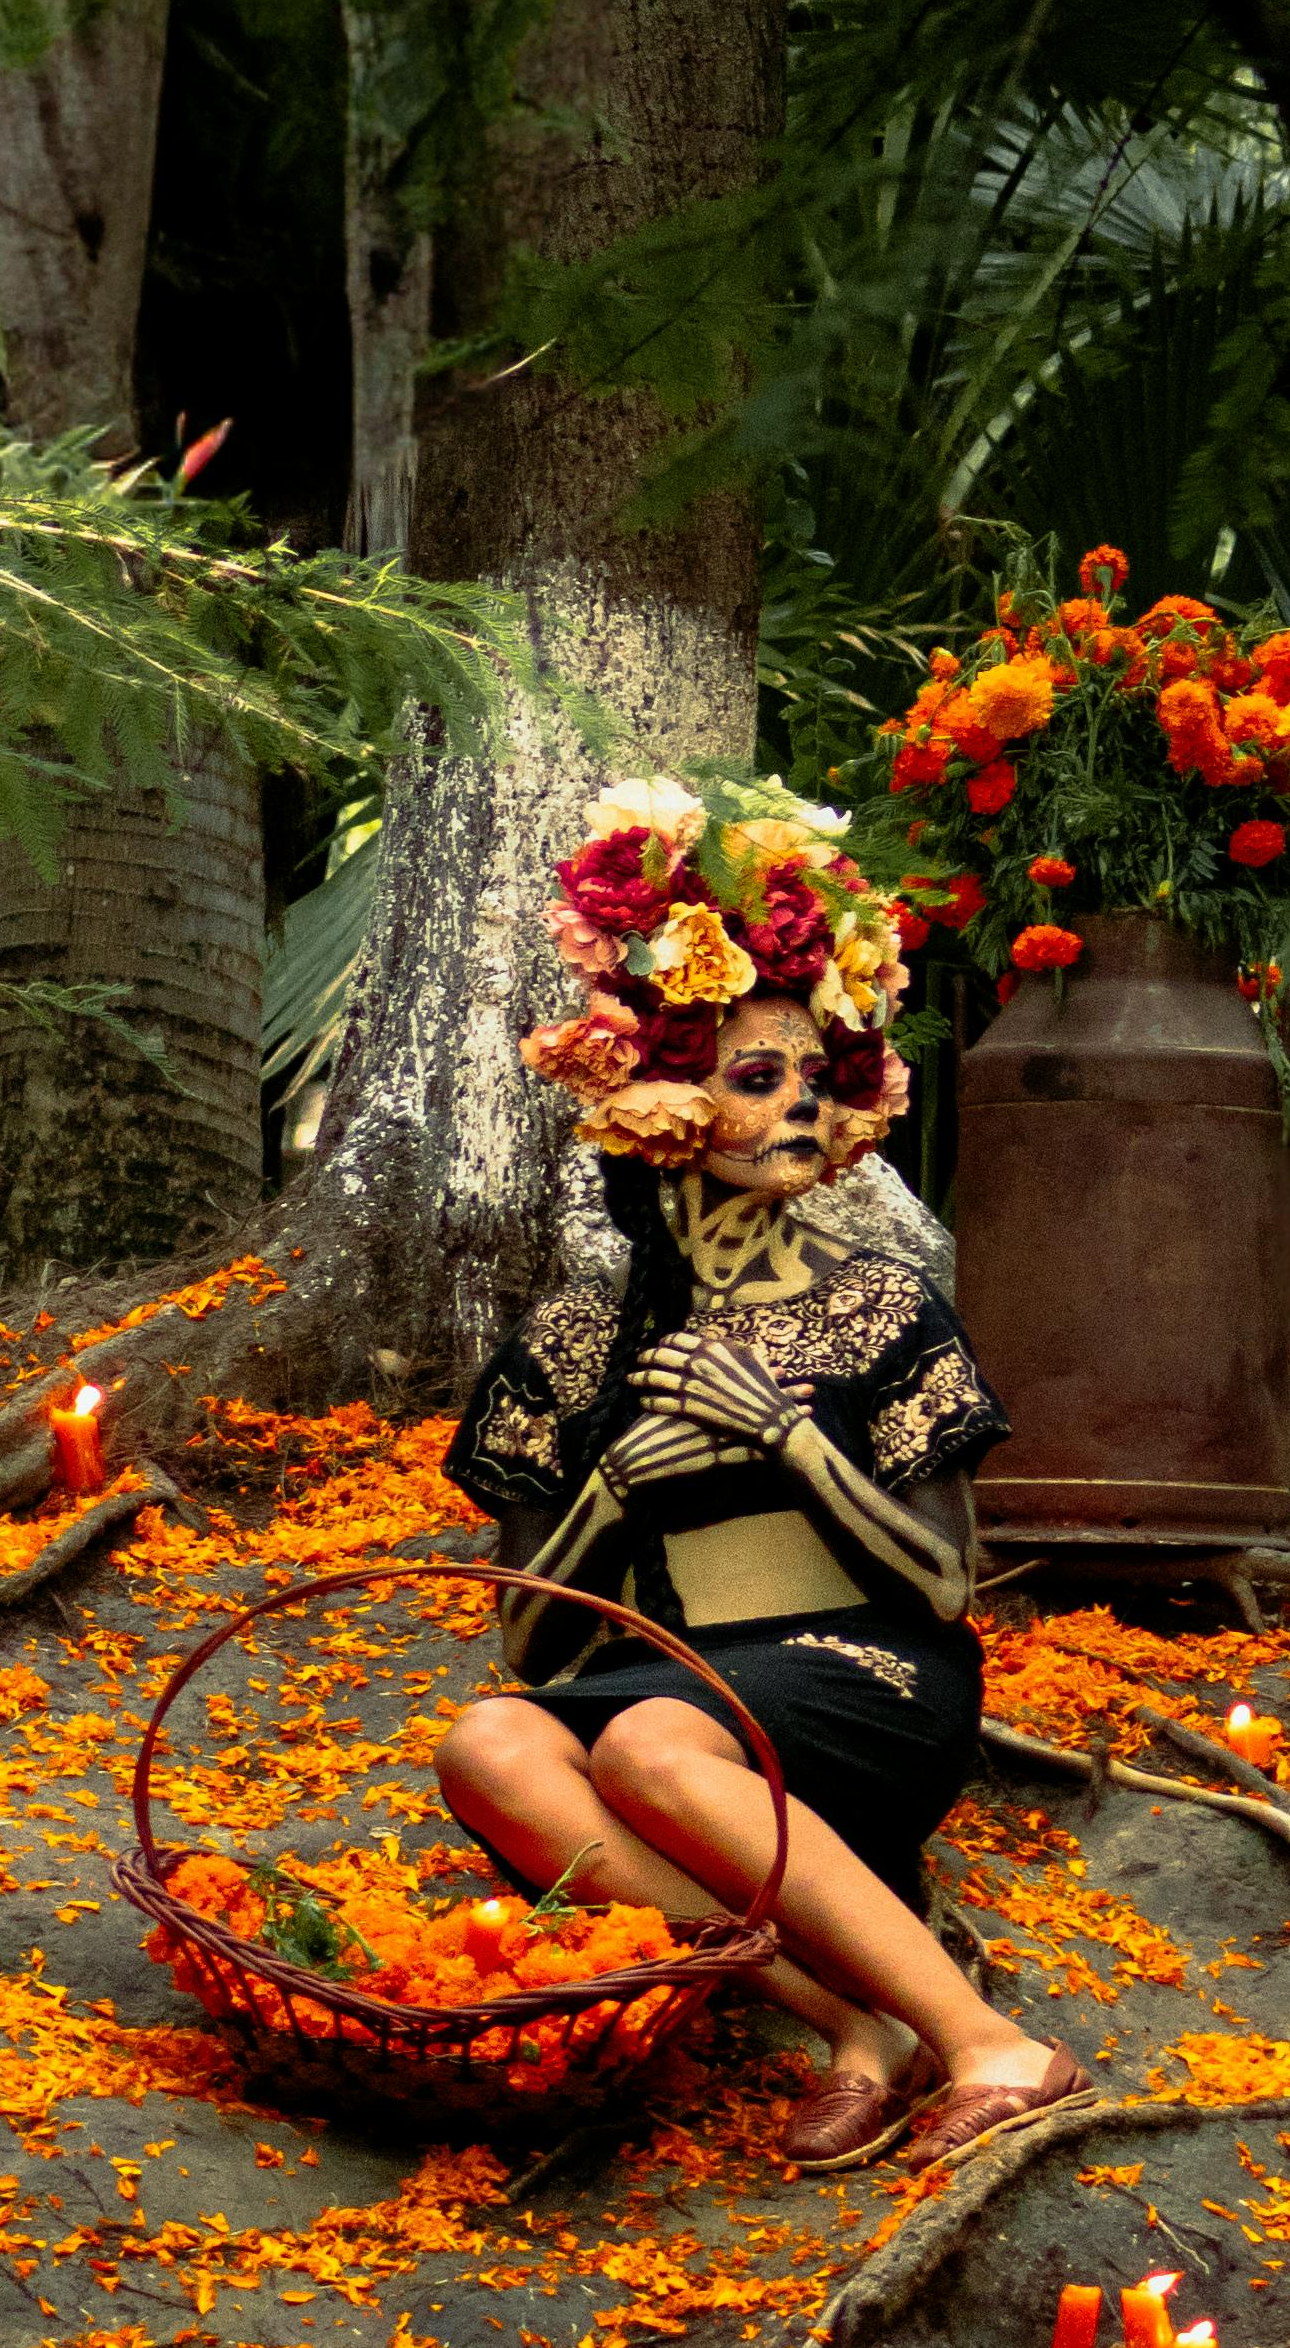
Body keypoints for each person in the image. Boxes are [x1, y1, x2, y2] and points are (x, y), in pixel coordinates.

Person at [437, 777, 1086, 2171]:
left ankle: (993, 2044)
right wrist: (615, 1493)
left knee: (644, 1743)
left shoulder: (878, 1307)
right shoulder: (574, 1342)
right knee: (491, 1740)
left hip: (871, 1682)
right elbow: (529, 1635)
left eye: (813, 1075)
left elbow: (945, 1580)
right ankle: (860, 2024)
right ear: (666, 1097)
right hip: (673, 1690)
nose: (800, 1100)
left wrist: (788, 1439)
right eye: (755, 1076)